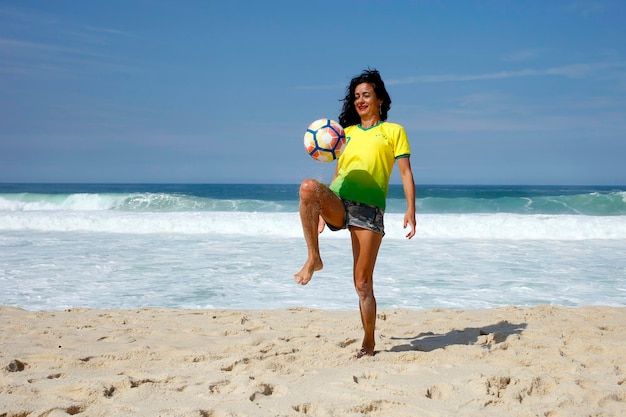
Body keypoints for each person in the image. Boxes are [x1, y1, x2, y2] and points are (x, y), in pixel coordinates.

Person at [294, 69, 416, 358]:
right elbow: (339, 172)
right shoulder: (342, 134)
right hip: (340, 200)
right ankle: (314, 257)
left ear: (380, 100)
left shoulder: (393, 131)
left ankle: (369, 342)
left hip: (369, 210)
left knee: (362, 283)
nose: (360, 100)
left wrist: (411, 208)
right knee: (309, 187)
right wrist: (322, 209)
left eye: (366, 95)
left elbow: (406, 172)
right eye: (357, 96)